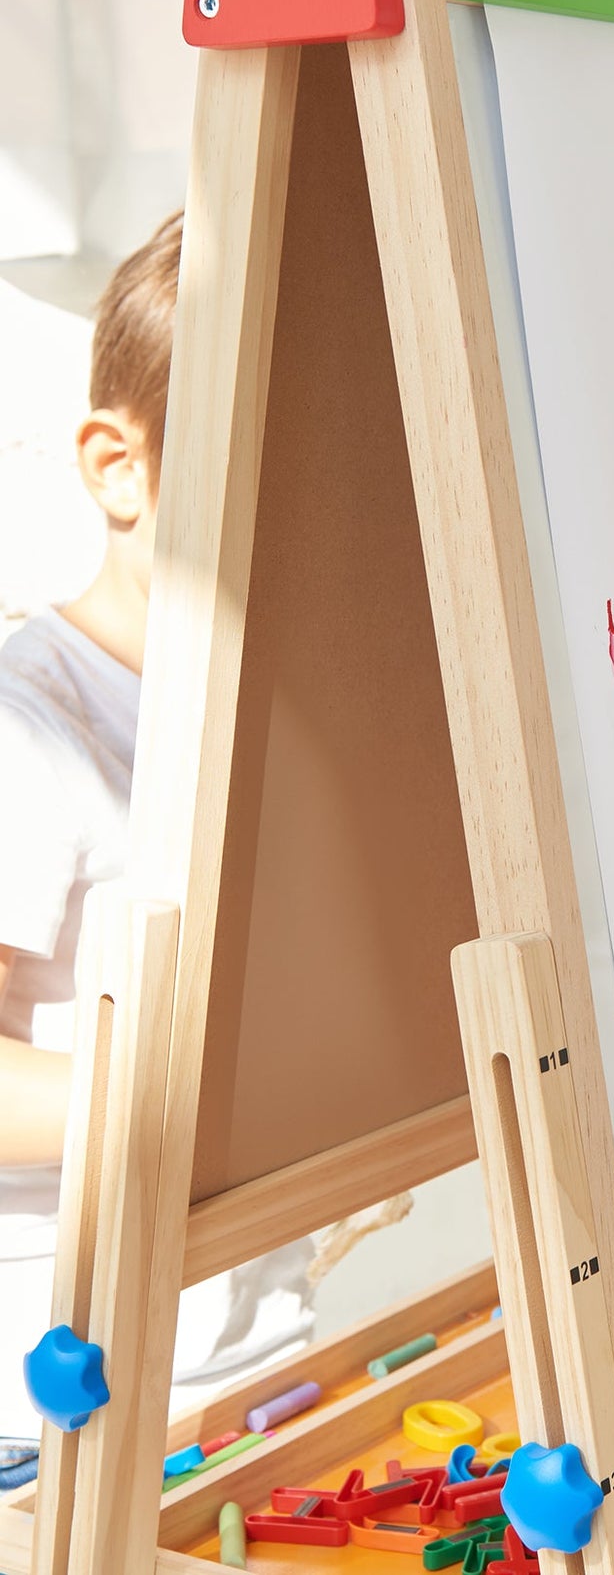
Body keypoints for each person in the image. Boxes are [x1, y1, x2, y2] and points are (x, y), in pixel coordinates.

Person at [0, 214, 313, 1449]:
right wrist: (230, 1102)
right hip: (61, 1400)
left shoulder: (263, 713)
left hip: (256, 1367)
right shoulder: (33, 729)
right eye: (259, 465)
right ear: (119, 464)